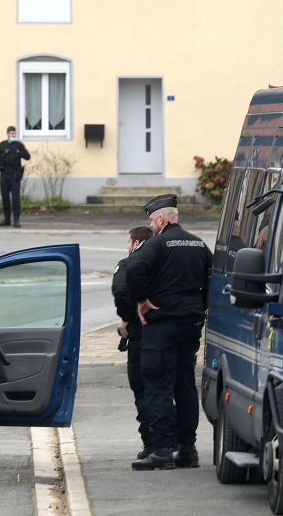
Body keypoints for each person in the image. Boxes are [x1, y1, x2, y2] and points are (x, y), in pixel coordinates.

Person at [124, 194, 212, 471]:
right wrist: (201, 307)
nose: (150, 226)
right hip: (191, 323)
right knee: (185, 385)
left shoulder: (157, 243)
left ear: (162, 219)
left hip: (161, 325)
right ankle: (188, 450)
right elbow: (214, 276)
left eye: (151, 220)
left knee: (158, 385)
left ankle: (161, 450)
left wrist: (140, 300)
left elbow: (134, 267)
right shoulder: (198, 243)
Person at [112, 225, 155, 460]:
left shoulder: (130, 263)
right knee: (165, 389)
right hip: (165, 330)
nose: (127, 247)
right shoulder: (163, 260)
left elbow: (120, 289)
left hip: (139, 332)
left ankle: (152, 443)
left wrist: (126, 318)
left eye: (129, 242)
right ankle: (177, 442)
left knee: (142, 388)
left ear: (137, 243)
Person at [0, 125, 30, 228]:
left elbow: (27, 156)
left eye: (14, 134)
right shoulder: (2, 145)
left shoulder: (19, 145)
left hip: (15, 175)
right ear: (8, 134)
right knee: (5, 198)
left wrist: (20, 152)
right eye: (12, 133)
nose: (13, 135)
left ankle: (16, 220)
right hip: (4, 174)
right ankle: (6, 219)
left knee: (15, 198)